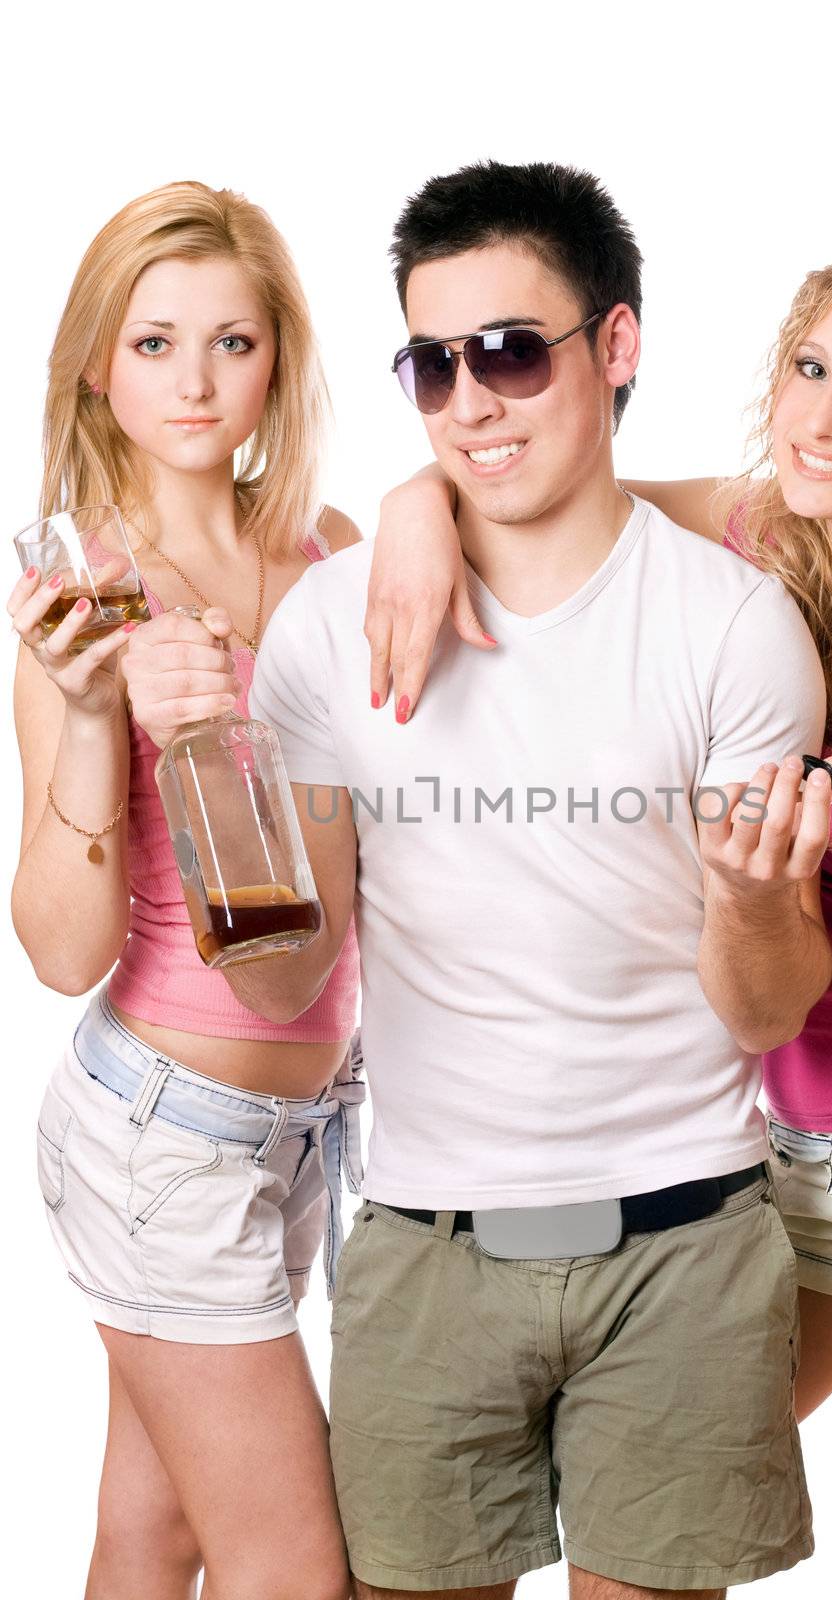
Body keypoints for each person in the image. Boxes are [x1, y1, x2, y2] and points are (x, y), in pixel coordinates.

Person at [368, 243, 832, 1599]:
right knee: (625, 1505)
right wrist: (410, 504)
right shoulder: (756, 540)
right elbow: (543, 492)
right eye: (810, 369)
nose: (817, 418)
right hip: (783, 1156)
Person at [222, 160, 832, 1597]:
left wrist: (750, 901)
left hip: (682, 1242)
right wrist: (211, 790)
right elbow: (289, 974)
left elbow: (765, 1011)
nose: (471, 403)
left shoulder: (733, 628)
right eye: (430, 368)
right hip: (429, 1247)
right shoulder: (328, 626)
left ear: (616, 348)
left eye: (506, 351)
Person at [11, 182, 362, 1600]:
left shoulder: (332, 552)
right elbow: (55, 945)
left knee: (152, 1539)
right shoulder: (83, 592)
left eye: (233, 341)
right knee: (299, 1571)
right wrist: (98, 716)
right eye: (154, 344)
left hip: (306, 1126)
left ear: (279, 357)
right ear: (99, 365)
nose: (197, 381)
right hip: (163, 1139)